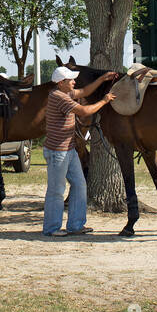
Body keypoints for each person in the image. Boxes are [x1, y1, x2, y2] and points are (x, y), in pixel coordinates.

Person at [43, 65, 117, 236]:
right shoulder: (59, 97)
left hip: (68, 150)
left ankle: (76, 225)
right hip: (58, 153)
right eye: (71, 79)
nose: (74, 82)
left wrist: (101, 79)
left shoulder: (64, 93)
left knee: (80, 184)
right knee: (56, 190)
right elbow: (84, 110)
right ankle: (51, 229)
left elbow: (83, 91)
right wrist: (104, 101)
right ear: (61, 83)